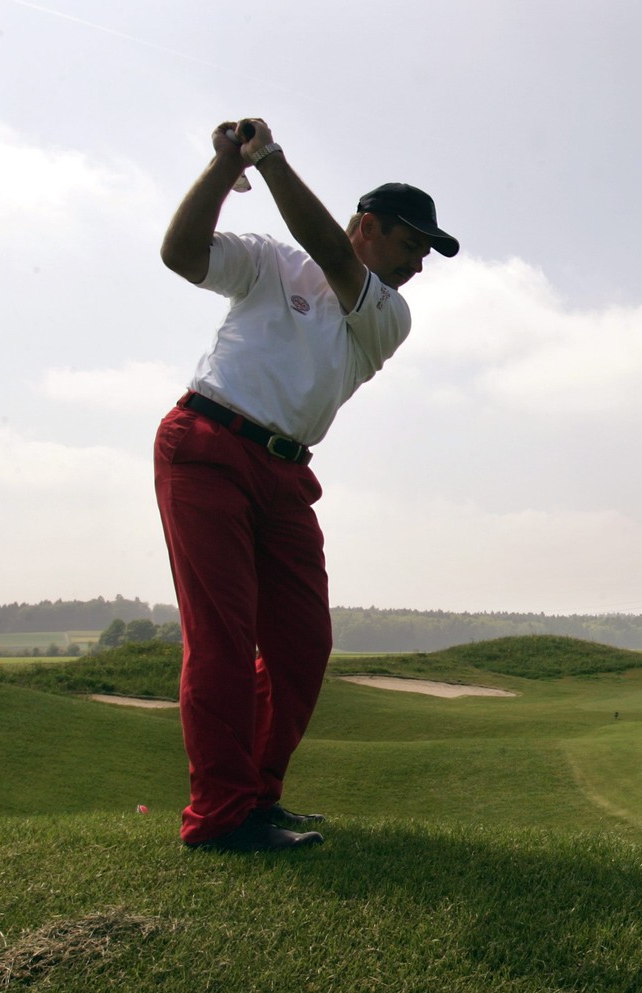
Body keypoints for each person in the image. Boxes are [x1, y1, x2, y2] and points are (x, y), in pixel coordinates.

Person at [154, 118, 459, 852]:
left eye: (426, 251)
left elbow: (330, 252)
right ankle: (220, 814)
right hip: (206, 445)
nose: (419, 263)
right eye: (411, 243)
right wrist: (226, 163)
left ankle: (255, 794)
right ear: (368, 225)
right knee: (222, 638)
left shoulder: (387, 313)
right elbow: (180, 253)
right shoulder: (268, 262)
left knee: (301, 643)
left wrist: (270, 159)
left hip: (286, 473)